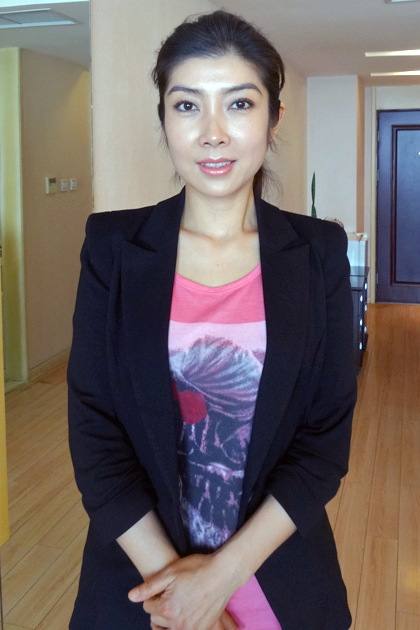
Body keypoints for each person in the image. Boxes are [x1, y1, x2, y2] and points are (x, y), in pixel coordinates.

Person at [67, 9, 358, 630]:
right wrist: (180, 598)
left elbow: (324, 442)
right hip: (143, 585)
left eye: (240, 104)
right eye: (187, 106)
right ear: (164, 119)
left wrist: (217, 583)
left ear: (274, 118)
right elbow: (95, 435)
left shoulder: (318, 254)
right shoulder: (113, 249)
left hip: (280, 580)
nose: (213, 133)